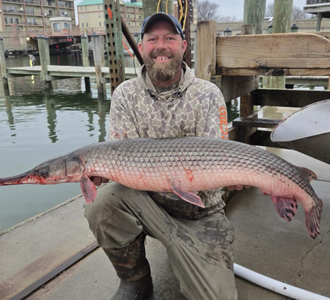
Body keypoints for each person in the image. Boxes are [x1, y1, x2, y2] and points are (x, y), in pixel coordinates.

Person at [84, 12, 238, 300]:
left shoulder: (208, 94)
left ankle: (193, 255)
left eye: (169, 38)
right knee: (101, 204)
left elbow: (219, 158)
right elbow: (121, 159)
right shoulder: (124, 95)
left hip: (199, 212)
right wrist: (103, 172)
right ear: (140, 48)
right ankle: (135, 280)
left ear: (183, 46)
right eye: (152, 39)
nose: (161, 45)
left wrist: (234, 178)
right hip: (147, 204)